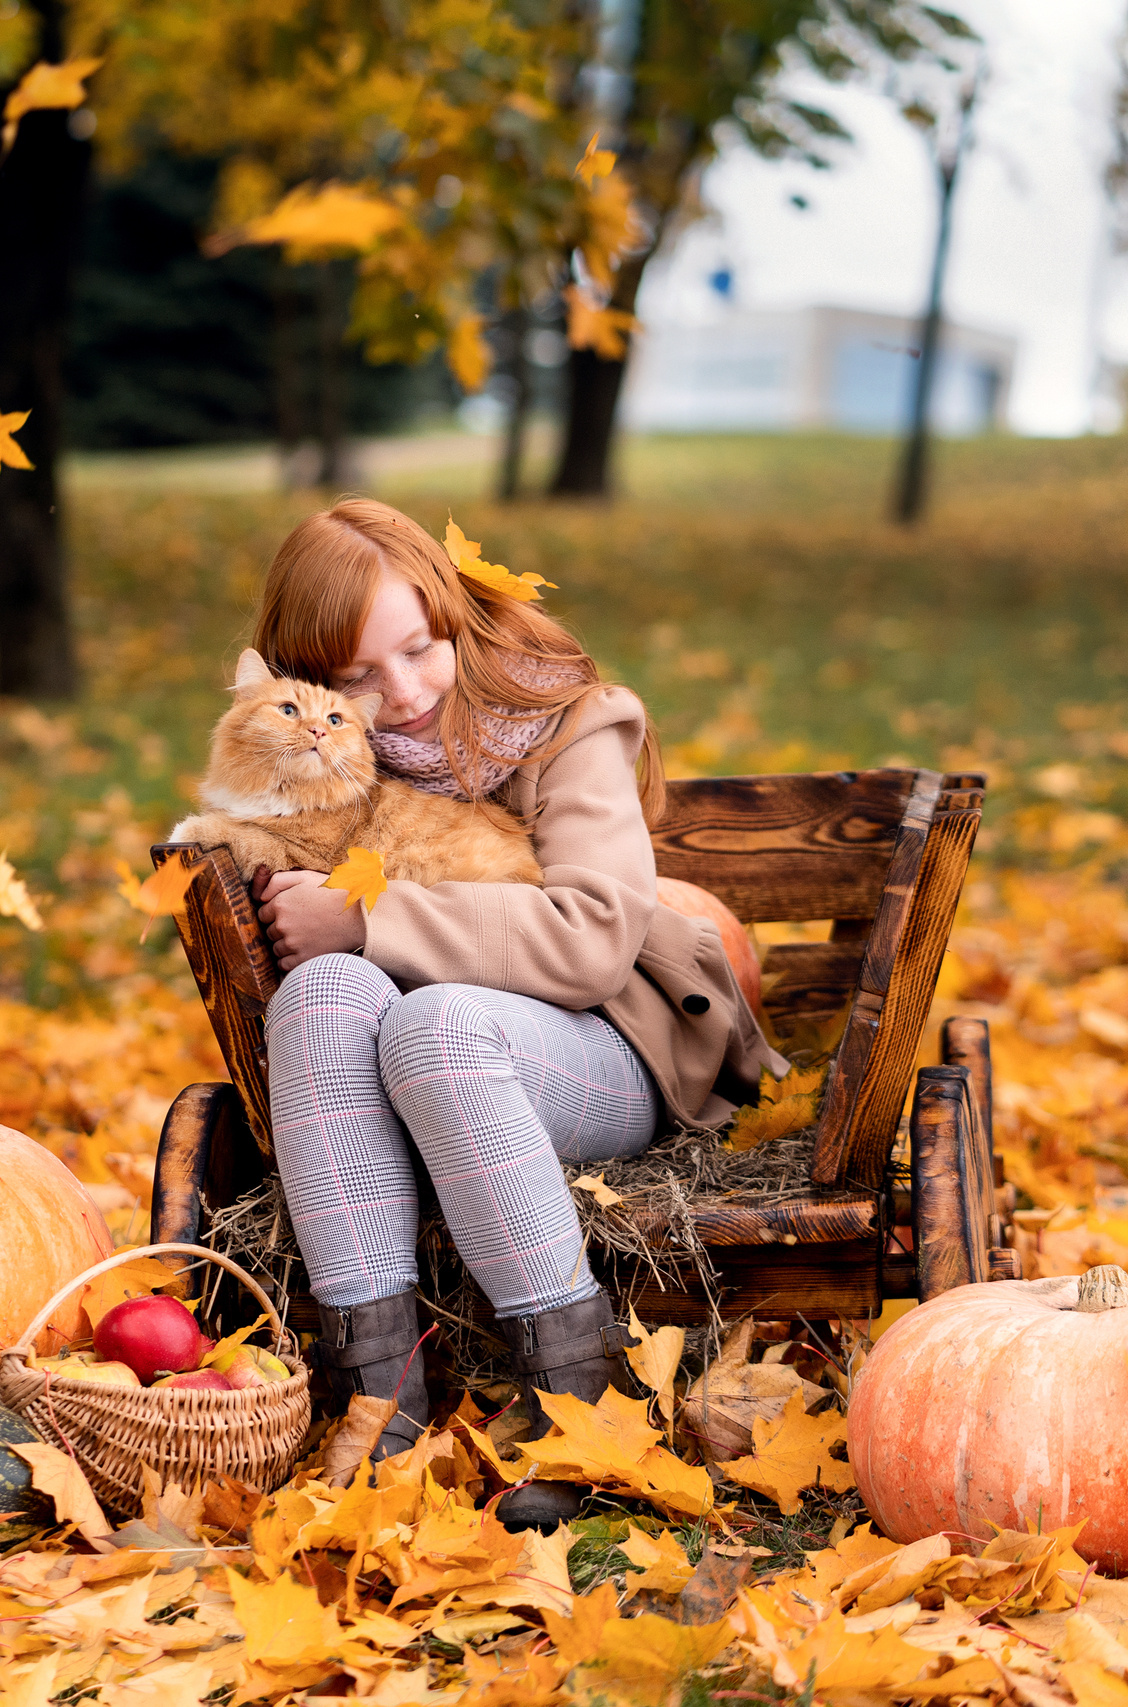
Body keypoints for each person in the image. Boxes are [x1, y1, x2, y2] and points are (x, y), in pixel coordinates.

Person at [249, 498, 783, 1528]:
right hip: (410, 1060)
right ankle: (378, 1407)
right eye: (359, 674)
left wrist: (370, 919)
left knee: (435, 1023)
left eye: (419, 648)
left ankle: (583, 1403)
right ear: (307, 680)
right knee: (320, 992)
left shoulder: (566, 721)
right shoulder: (311, 754)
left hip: (598, 1047)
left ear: (451, 618)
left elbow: (589, 940)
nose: (401, 694)